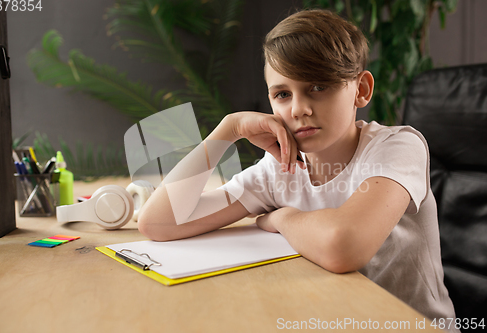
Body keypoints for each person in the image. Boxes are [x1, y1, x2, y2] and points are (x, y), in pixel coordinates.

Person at [138, 9, 458, 330]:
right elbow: (159, 223)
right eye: (282, 94)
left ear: (360, 89)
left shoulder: (398, 147)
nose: (298, 109)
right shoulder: (277, 170)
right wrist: (228, 129)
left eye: (318, 87)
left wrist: (280, 217)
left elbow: (343, 246)